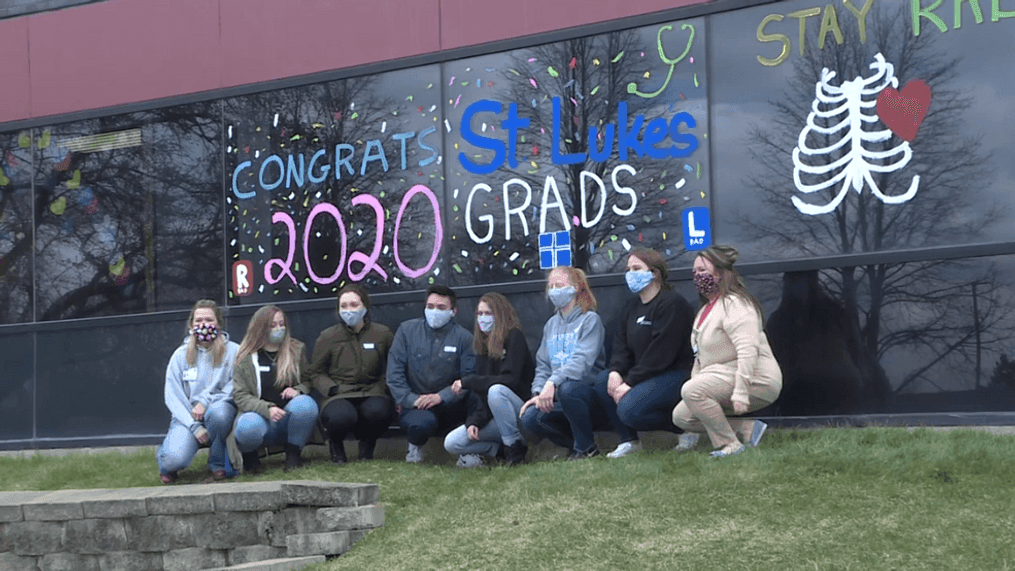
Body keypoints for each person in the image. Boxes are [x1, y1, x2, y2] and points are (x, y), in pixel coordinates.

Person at [672, 245, 783, 457]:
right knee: (682, 416)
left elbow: (748, 350)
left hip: (757, 377)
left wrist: (741, 391)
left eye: (703, 271)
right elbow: (699, 357)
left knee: (691, 391)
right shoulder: (705, 310)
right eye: (694, 272)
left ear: (721, 272)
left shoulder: (736, 304)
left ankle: (730, 445)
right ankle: (746, 428)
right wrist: (697, 382)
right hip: (721, 376)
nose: (698, 276)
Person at [593, 248, 696, 458]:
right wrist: (615, 373)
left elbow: (661, 354)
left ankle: (685, 428)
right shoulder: (631, 307)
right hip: (641, 375)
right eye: (628, 269)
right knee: (603, 381)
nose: (630, 273)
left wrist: (628, 383)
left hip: (673, 374)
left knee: (630, 410)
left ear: (654, 273)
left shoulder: (672, 304)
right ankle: (629, 441)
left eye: (636, 268)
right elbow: (621, 346)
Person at [519, 266, 607, 461]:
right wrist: (538, 393)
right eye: (550, 286)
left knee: (568, 388)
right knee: (531, 417)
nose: (553, 290)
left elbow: (582, 362)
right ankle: (583, 447)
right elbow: (542, 365)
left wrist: (553, 383)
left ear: (575, 287)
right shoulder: (551, 324)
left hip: (586, 394)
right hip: (557, 394)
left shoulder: (590, 320)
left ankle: (584, 449)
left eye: (559, 285)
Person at [443, 292, 535, 467]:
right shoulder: (483, 345)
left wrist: (468, 381)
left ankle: (514, 448)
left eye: (488, 313)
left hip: (520, 413)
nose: (483, 318)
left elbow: (509, 380)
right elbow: (481, 393)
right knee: (452, 442)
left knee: (497, 390)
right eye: (480, 314)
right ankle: (499, 452)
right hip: (495, 419)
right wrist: (475, 421)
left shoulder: (515, 337)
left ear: (500, 314)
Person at [306, 284, 395, 464]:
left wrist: (385, 386)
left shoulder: (382, 333)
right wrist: (331, 389)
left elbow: (394, 366)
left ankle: (367, 448)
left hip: (372, 391)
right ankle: (336, 446)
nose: (349, 310)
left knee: (379, 411)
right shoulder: (328, 336)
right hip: (340, 393)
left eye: (354, 305)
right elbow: (315, 372)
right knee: (340, 417)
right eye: (344, 306)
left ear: (365, 306)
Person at [386, 285, 476, 464]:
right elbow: (394, 373)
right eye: (430, 306)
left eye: (441, 308)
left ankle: (468, 450)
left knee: (475, 398)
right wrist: (412, 399)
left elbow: (469, 377)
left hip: (451, 404)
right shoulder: (406, 331)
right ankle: (415, 447)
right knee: (420, 424)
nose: (435, 311)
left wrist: (441, 396)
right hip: (416, 405)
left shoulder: (464, 338)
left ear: (453, 311)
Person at [157, 299, 239, 483]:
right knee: (174, 459)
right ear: (191, 325)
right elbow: (172, 396)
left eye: (209, 320)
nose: (204, 325)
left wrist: (205, 402)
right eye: (199, 321)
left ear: (219, 323)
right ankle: (164, 458)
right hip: (187, 419)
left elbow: (236, 386)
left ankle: (218, 463)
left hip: (219, 412)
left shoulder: (234, 351)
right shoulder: (180, 355)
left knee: (220, 413)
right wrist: (194, 426)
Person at [232, 305, 318, 472]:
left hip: (287, 417)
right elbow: (240, 395)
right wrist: (267, 408)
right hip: (259, 418)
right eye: (273, 326)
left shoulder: (296, 349)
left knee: (306, 404)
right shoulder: (245, 356)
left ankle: (293, 453)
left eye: (281, 324)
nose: (279, 329)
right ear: (260, 329)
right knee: (247, 427)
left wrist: (298, 390)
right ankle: (250, 456)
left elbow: (308, 379)